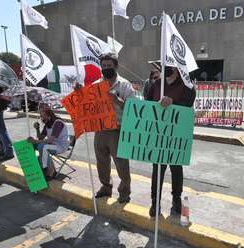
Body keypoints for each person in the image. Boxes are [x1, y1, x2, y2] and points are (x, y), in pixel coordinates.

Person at [75, 53, 135, 203]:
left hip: (117, 130)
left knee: (121, 164)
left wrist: (117, 100)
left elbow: (134, 109)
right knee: (101, 162)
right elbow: (86, 104)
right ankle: (106, 187)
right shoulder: (96, 84)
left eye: (109, 65)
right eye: (104, 66)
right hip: (100, 129)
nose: (106, 68)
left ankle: (124, 192)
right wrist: (79, 93)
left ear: (115, 66)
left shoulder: (125, 85)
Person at [145, 66, 196, 217]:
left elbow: (188, 106)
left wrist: (172, 103)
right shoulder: (156, 84)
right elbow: (146, 105)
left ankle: (176, 200)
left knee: (176, 169)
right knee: (157, 170)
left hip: (176, 137)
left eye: (170, 64)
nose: (166, 67)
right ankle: (155, 202)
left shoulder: (187, 87)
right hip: (158, 136)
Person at [28, 103, 70, 180]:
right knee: (32, 145)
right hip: (52, 145)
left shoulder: (58, 122)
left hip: (61, 146)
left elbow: (51, 140)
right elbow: (40, 137)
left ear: (47, 112)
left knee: (43, 146)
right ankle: (33, 168)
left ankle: (50, 171)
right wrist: (37, 128)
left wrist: (35, 141)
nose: (40, 115)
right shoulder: (48, 123)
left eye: (41, 113)